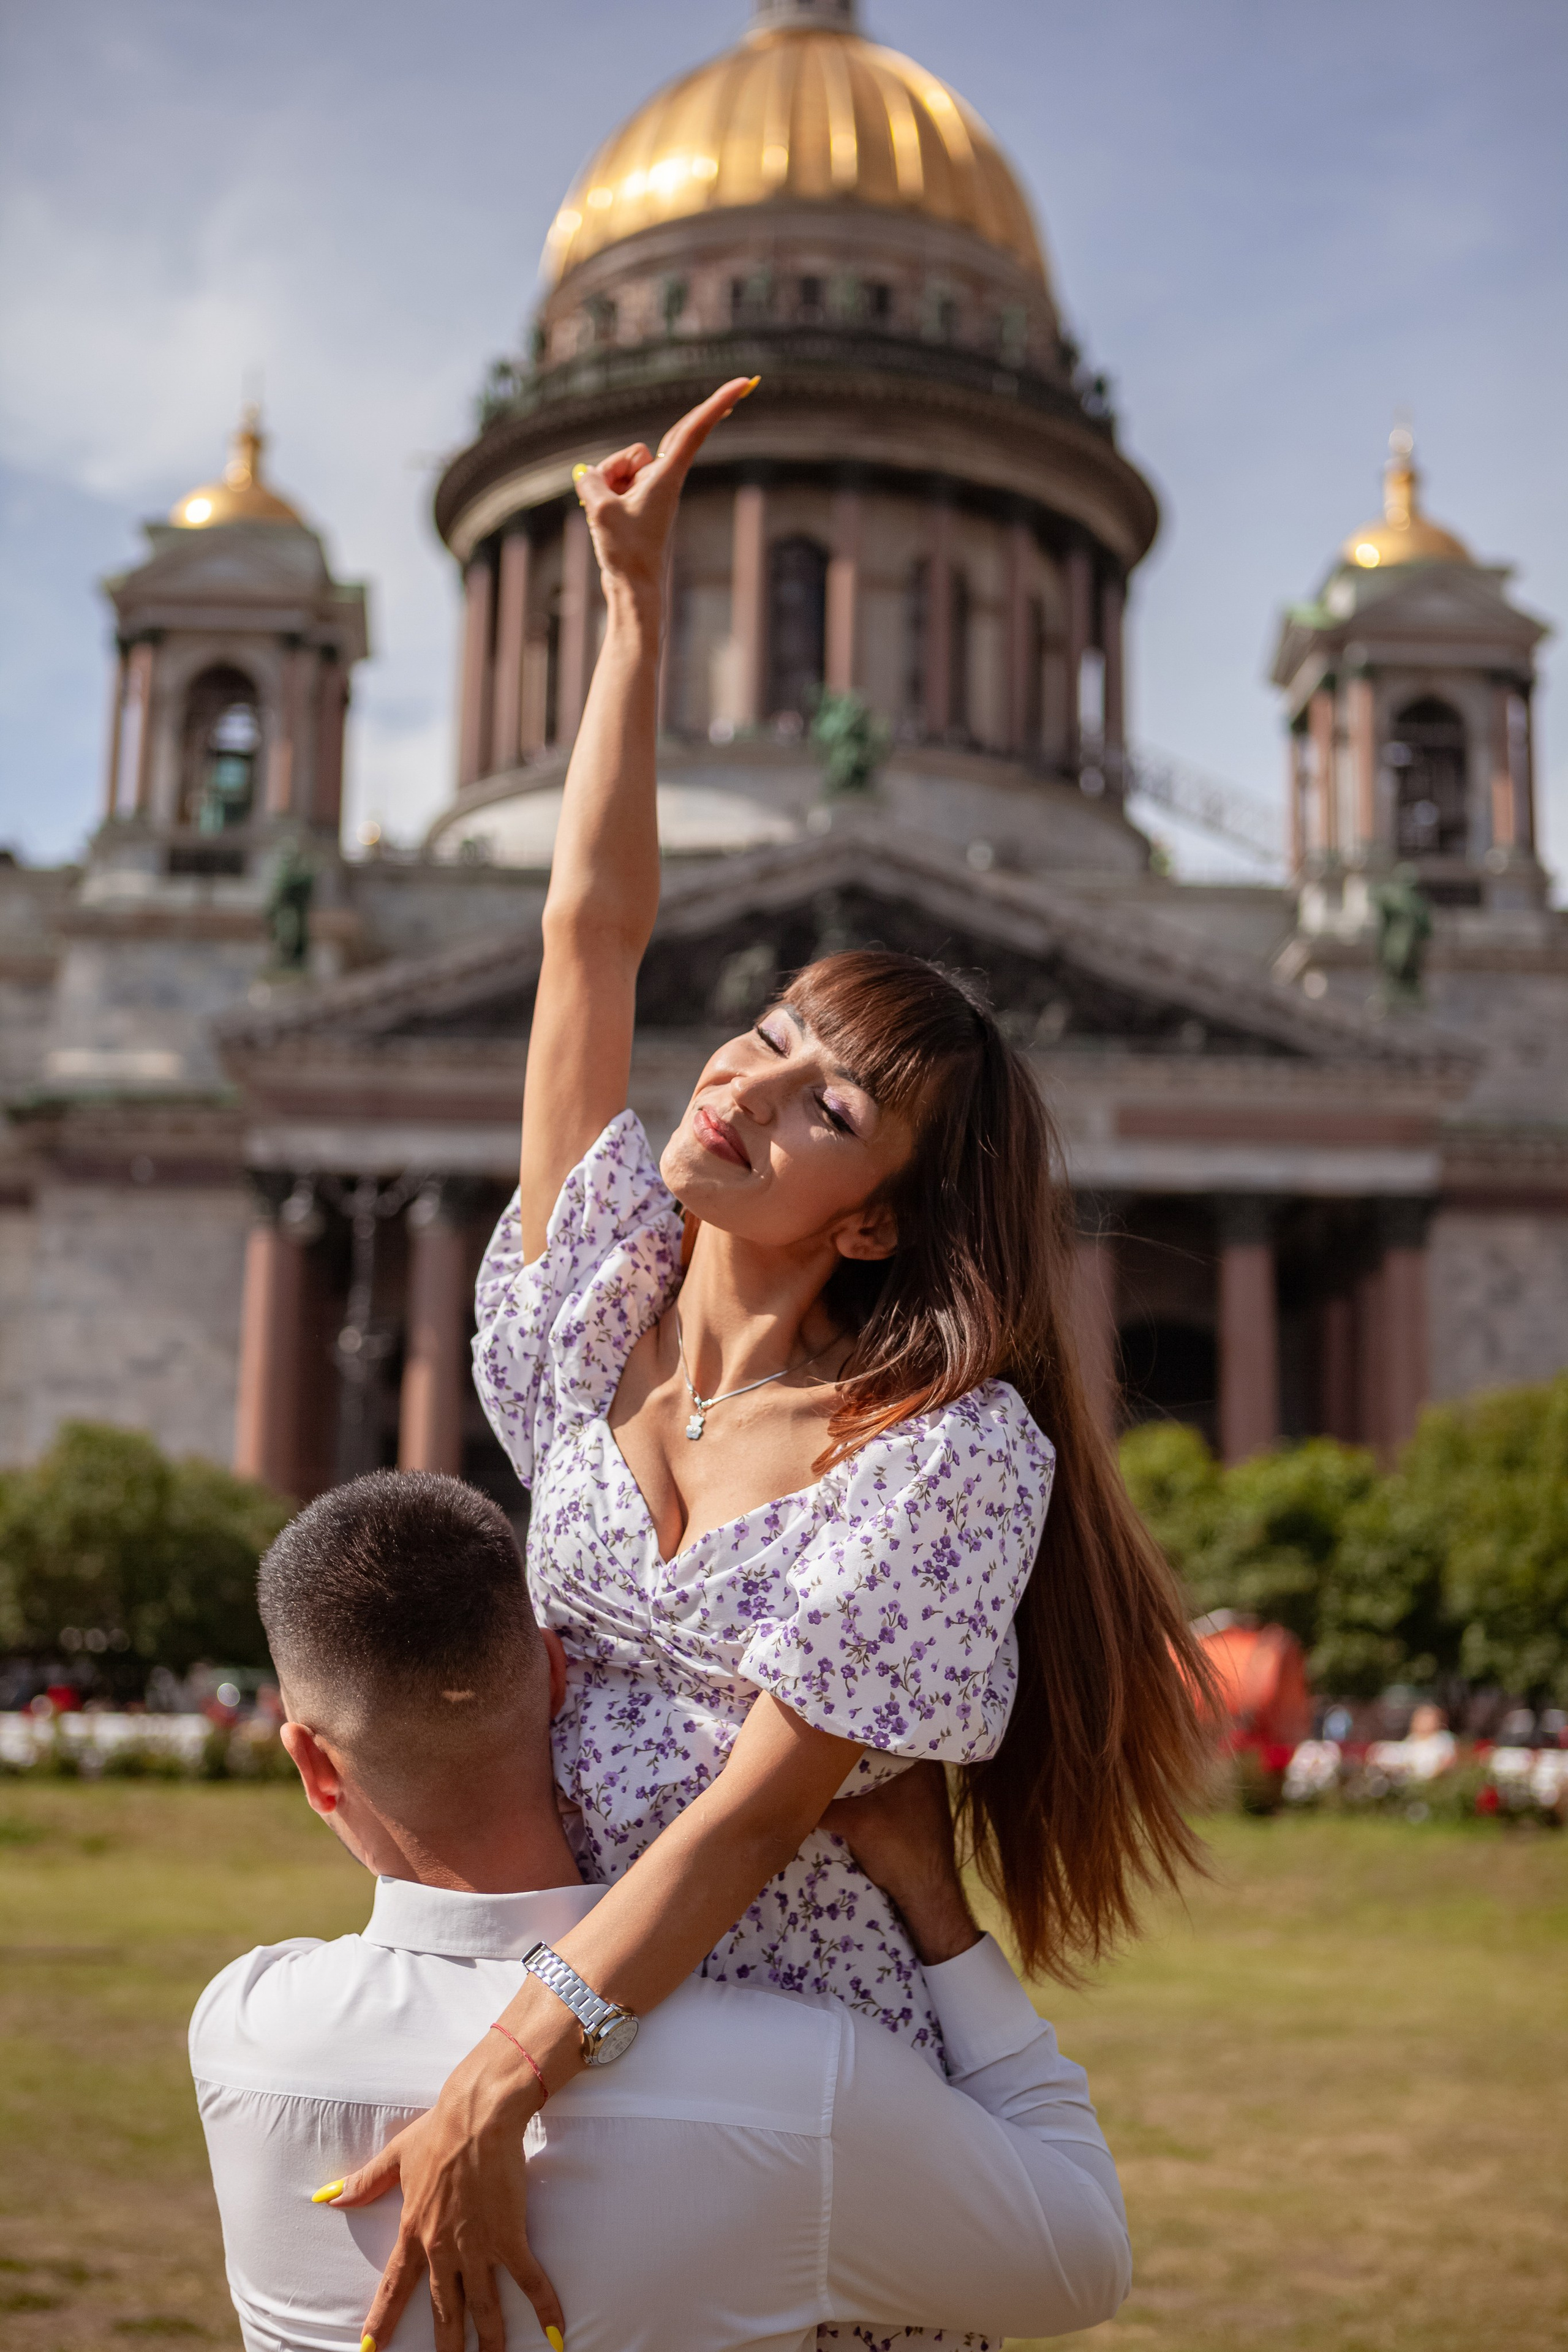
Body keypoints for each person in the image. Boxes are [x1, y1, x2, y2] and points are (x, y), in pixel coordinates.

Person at [341, 379, 1209, 2350]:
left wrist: (511, 2068)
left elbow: (754, 1817)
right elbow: (589, 934)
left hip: (777, 2043)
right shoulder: (589, 1312)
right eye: (760, 1039)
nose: (741, 1089)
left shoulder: (941, 1452)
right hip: (551, 1987)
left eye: (829, 1106)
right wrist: (638, 612)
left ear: (882, 1215)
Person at [191, 1471, 1131, 2351]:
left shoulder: (241, 2030)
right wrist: (939, 1910)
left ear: (313, 1765)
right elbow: (1083, 2258)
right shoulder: (799, 2084)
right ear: (561, 1680)